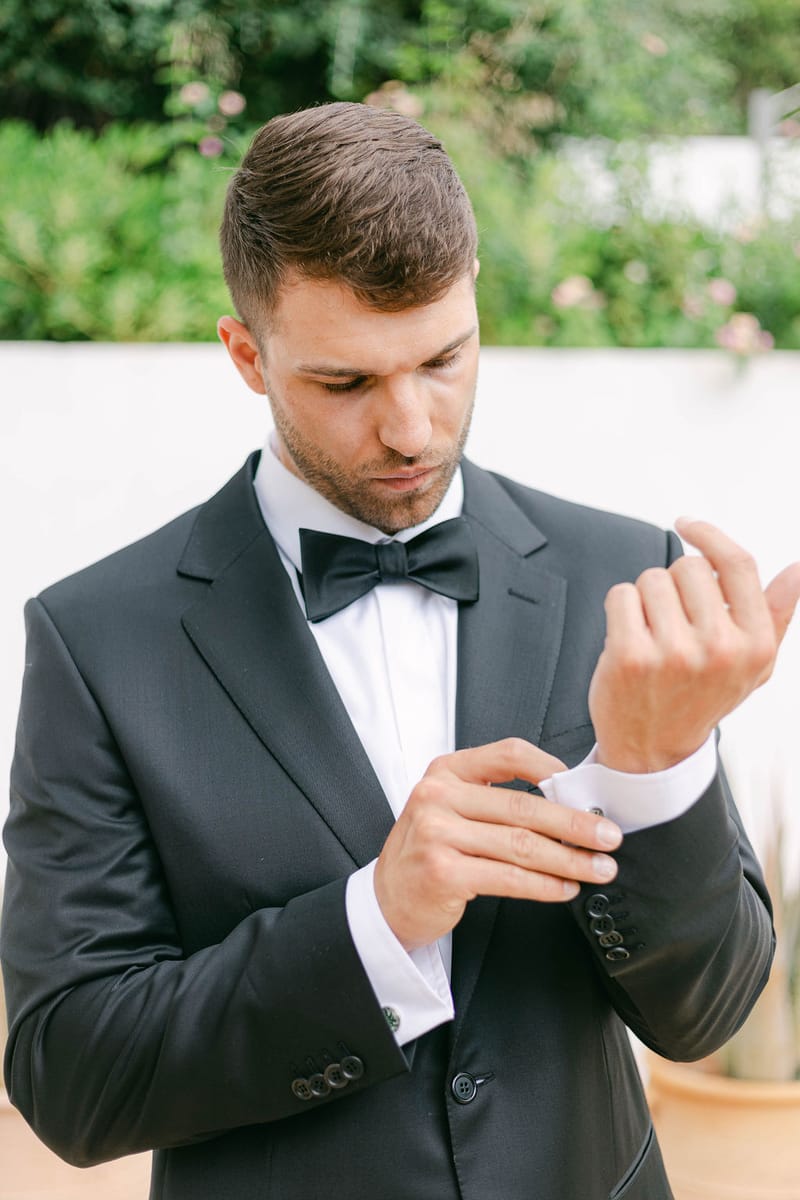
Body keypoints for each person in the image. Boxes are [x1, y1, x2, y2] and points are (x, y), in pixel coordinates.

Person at [2, 102, 799, 1200]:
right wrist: (372, 923)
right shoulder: (97, 639)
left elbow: (702, 1013)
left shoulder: (627, 578)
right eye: (346, 382)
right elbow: (73, 1076)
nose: (412, 428)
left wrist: (656, 768)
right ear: (246, 354)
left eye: (442, 359)